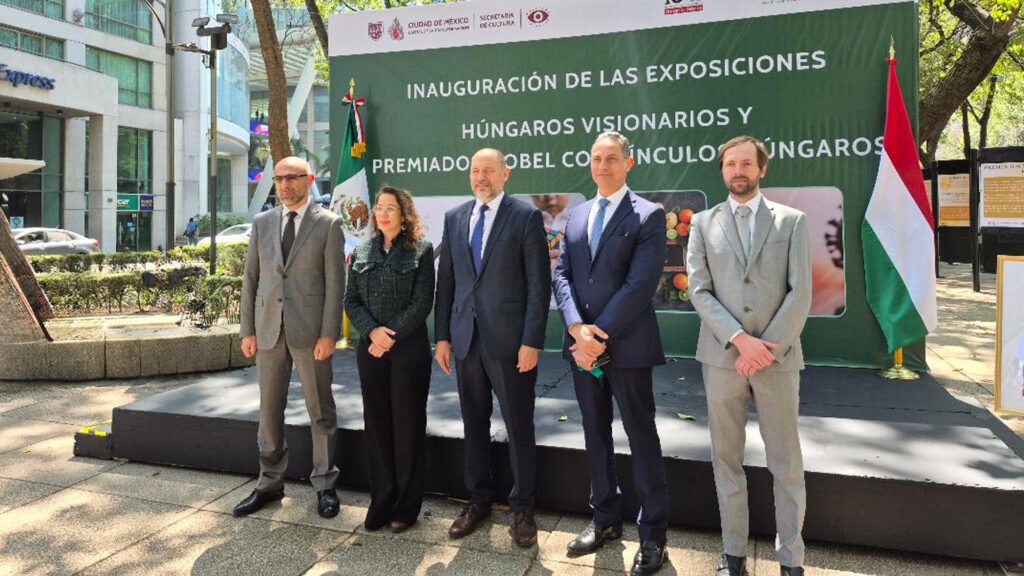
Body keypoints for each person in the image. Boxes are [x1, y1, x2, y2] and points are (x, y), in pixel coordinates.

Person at [686, 136, 812, 576]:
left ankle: (791, 559)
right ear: (722, 171)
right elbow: (699, 291)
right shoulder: (702, 223)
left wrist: (766, 347)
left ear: (762, 169)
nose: (737, 171)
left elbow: (801, 292)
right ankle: (734, 554)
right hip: (723, 359)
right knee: (726, 458)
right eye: (729, 164)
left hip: (778, 359)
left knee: (786, 463)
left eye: (746, 164)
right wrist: (741, 340)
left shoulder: (792, 221)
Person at [552, 131, 670, 576]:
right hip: (585, 351)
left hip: (627, 349)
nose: (603, 166)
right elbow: (561, 275)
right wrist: (576, 330)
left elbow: (640, 284)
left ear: (629, 163)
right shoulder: (577, 215)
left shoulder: (648, 215)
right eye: (597, 158)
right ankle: (604, 519)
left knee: (641, 437)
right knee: (594, 433)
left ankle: (653, 534)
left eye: (612, 159)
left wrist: (595, 334)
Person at [434, 148, 550, 547]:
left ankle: (523, 508)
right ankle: (478, 500)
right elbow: (446, 281)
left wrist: (532, 340)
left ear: (506, 174)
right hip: (465, 340)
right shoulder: (455, 218)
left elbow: (539, 285)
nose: (481, 177)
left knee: (519, 425)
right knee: (473, 422)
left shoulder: (526, 217)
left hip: (511, 343)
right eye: (475, 171)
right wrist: (443, 337)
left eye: (489, 171)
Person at [236, 156, 345, 519]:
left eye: (293, 178)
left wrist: (329, 333)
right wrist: (247, 329)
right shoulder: (262, 223)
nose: (285, 185)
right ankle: (269, 483)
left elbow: (335, 286)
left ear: (309, 180)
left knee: (320, 411)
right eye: (280, 178)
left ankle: (325, 485)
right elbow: (250, 280)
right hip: (268, 330)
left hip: (311, 332)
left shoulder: (329, 224)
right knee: (269, 412)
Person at [344, 186, 435, 534]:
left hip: (407, 351)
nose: (383, 214)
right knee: (377, 426)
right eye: (379, 208)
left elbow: (422, 302)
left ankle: (406, 507)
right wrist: (372, 332)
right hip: (371, 351)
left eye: (391, 209)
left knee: (407, 426)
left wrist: (388, 335)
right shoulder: (362, 250)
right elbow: (351, 300)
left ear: (404, 214)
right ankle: (381, 500)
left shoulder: (421, 251)